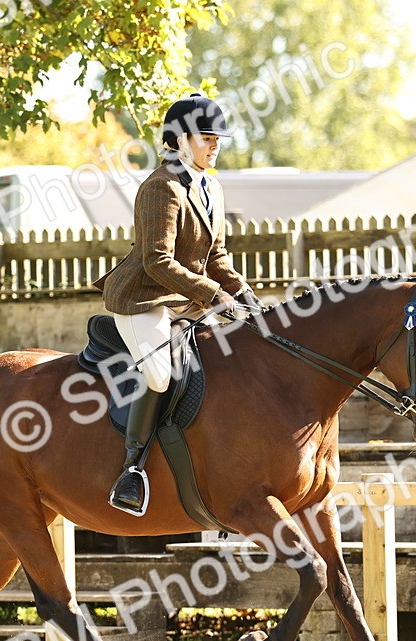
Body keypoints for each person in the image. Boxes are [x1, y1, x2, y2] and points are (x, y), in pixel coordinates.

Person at [92, 93, 263, 515]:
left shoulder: (212, 187)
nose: (215, 145)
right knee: (159, 373)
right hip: (143, 298)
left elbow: (217, 258)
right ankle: (132, 469)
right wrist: (212, 295)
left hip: (185, 300)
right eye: (206, 137)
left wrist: (247, 297)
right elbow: (157, 260)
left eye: (217, 138)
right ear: (181, 139)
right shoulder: (160, 186)